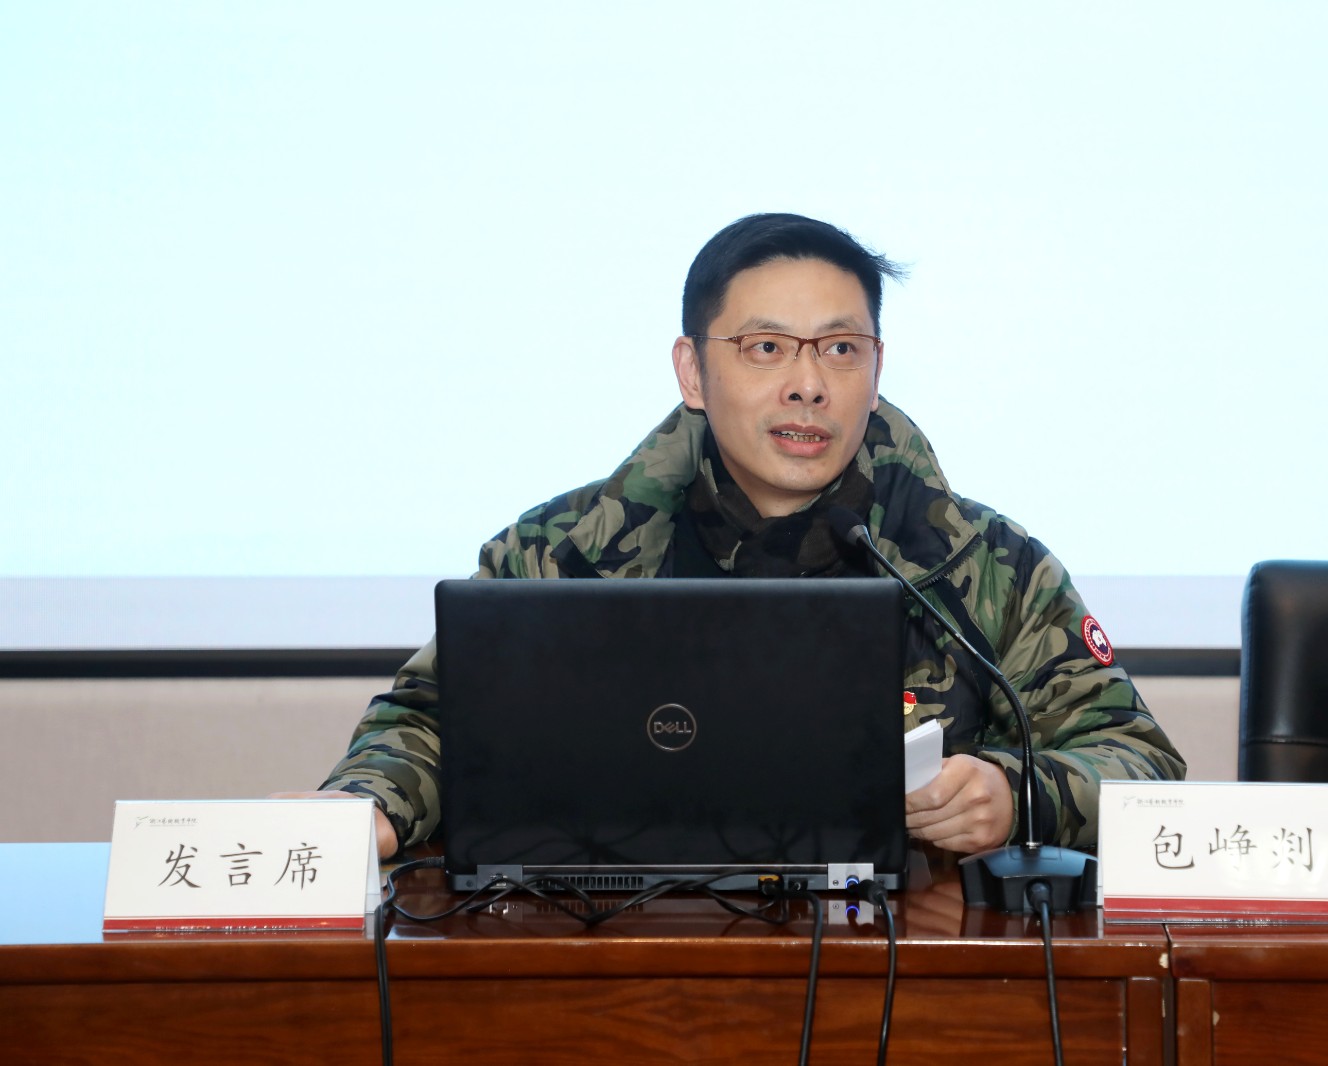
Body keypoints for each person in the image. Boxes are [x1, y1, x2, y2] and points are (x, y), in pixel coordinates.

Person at [277, 213, 1186, 859]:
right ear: (693, 371)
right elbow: (431, 722)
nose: (808, 385)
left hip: (898, 973)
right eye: (766, 348)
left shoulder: (984, 562)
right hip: (606, 958)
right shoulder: (563, 553)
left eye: (840, 348)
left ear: (876, 367)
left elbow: (1140, 763)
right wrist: (370, 808)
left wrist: (1016, 795)